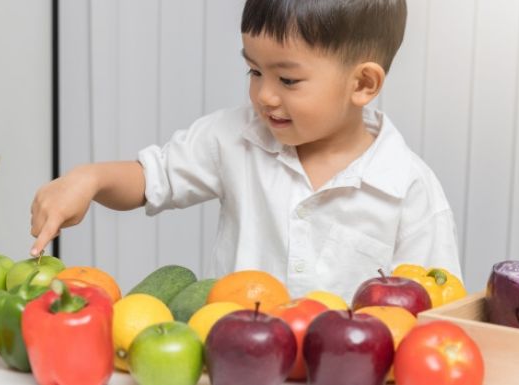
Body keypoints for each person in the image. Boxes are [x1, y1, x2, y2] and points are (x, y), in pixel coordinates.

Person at [29, 0, 462, 302]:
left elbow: (437, 306)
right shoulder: (234, 136)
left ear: (363, 84)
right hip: (233, 360)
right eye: (254, 70)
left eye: (287, 80)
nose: (264, 96)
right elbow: (152, 179)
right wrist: (89, 179)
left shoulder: (408, 188)